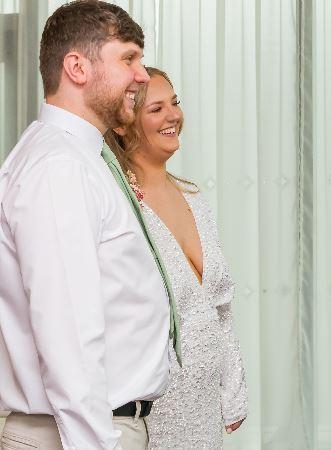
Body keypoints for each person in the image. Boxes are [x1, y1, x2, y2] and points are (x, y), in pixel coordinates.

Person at [0, 2, 173, 449]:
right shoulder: (59, 167)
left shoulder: (78, 157)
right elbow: (68, 340)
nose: (141, 75)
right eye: (128, 58)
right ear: (76, 66)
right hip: (76, 435)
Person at [105, 67, 248, 449]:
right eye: (156, 109)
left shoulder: (195, 199)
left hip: (205, 403)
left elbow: (221, 306)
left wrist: (232, 383)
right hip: (153, 403)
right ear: (122, 124)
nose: (173, 116)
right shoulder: (117, 206)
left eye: (176, 103)